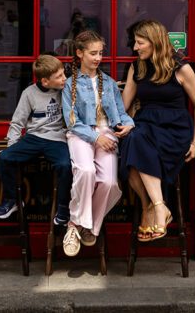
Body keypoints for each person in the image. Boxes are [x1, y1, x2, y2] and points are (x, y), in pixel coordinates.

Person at [119, 19, 195, 242]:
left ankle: (154, 208)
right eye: (135, 43)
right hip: (146, 124)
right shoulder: (136, 67)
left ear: (154, 42)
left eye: (140, 43)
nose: (135, 48)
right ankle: (156, 207)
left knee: (135, 142)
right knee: (131, 142)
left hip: (174, 130)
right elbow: (123, 104)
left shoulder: (181, 68)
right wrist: (123, 121)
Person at [60, 30, 134, 257]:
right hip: (82, 134)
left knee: (110, 183)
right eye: (93, 53)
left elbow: (121, 113)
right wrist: (95, 138)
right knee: (85, 170)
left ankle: (87, 225)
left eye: (101, 53)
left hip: (107, 134)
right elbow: (72, 121)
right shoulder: (69, 84)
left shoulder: (109, 83)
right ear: (79, 53)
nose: (98, 58)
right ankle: (75, 225)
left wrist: (128, 124)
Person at [0, 54, 72, 226]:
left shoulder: (66, 88)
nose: (64, 78)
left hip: (57, 138)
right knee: (5, 158)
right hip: (33, 138)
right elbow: (17, 122)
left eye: (63, 73)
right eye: (59, 76)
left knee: (65, 165)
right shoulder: (29, 94)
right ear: (45, 81)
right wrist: (11, 148)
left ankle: (64, 207)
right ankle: (11, 200)